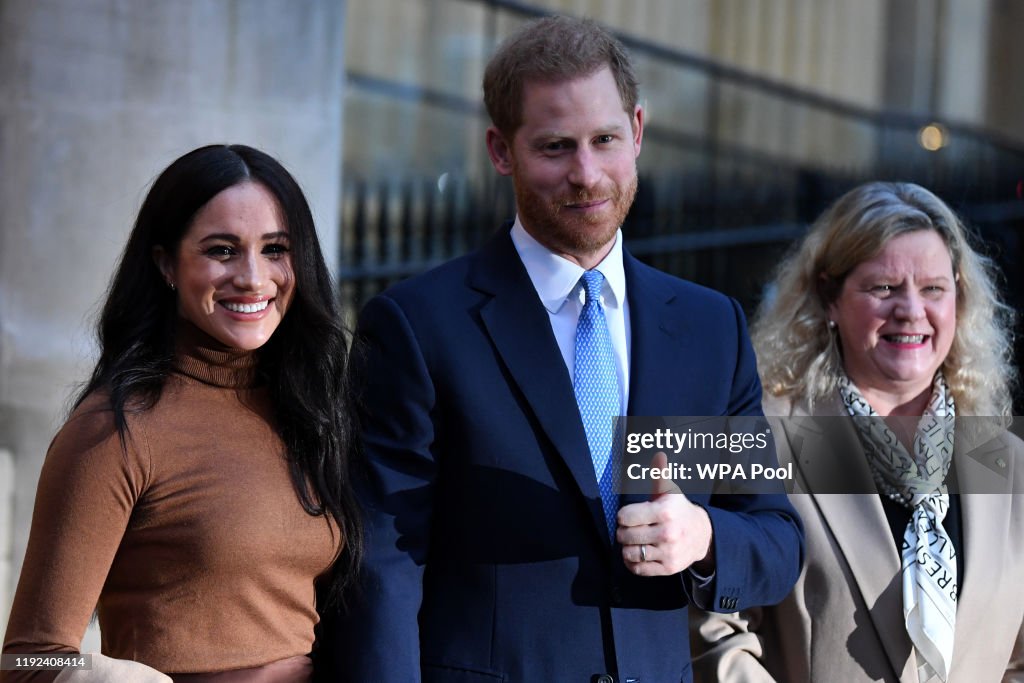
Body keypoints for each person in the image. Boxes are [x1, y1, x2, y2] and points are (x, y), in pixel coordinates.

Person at [324, 15, 803, 682]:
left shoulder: (707, 331)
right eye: (555, 147)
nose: (586, 174)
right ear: (501, 151)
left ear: (637, 131)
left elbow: (775, 536)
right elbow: (383, 565)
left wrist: (704, 536)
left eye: (605, 140)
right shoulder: (419, 327)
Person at [2, 144, 362, 682]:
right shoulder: (115, 432)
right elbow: (27, 660)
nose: (253, 277)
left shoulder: (310, 410)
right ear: (166, 263)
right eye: (222, 250)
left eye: (275, 249)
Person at [691, 181, 1024, 682]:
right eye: (884, 288)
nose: (911, 310)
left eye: (933, 288)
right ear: (829, 298)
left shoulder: (1008, 461)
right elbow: (714, 631)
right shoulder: (764, 438)